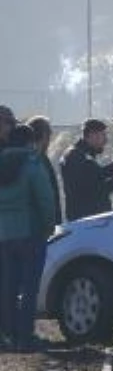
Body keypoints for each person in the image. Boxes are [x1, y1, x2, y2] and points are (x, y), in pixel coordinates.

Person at [0, 124, 56, 352]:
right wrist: (49, 225)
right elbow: (45, 199)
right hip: (30, 233)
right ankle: (25, 337)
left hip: (4, 235)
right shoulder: (32, 164)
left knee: (7, 286)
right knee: (30, 286)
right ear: (30, 142)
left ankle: (8, 335)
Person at [61, 119, 113, 221]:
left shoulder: (81, 155)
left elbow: (93, 180)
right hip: (86, 221)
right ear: (92, 135)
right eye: (103, 135)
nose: (106, 140)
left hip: (89, 219)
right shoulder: (76, 156)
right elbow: (91, 190)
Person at [26, 117, 63, 226]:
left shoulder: (28, 158)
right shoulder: (38, 160)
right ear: (44, 136)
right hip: (41, 225)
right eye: (49, 135)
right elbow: (47, 196)